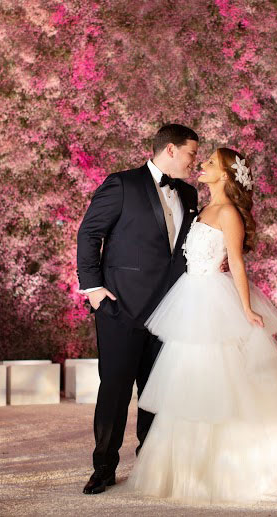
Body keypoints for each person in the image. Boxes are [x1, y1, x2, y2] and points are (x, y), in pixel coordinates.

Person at [126, 147, 277, 506]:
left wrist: (245, 308)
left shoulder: (229, 212)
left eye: (210, 163)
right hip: (189, 297)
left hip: (212, 301)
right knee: (186, 378)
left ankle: (219, 469)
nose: (201, 166)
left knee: (217, 379)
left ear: (226, 175)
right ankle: (179, 469)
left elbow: (236, 263)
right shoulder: (201, 208)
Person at [76, 123, 200, 495]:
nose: (195, 162)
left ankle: (150, 463)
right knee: (114, 390)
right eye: (192, 153)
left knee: (156, 390)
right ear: (171, 150)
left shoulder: (190, 194)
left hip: (169, 310)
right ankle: (104, 467)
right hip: (121, 308)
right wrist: (94, 288)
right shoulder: (123, 184)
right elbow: (89, 233)